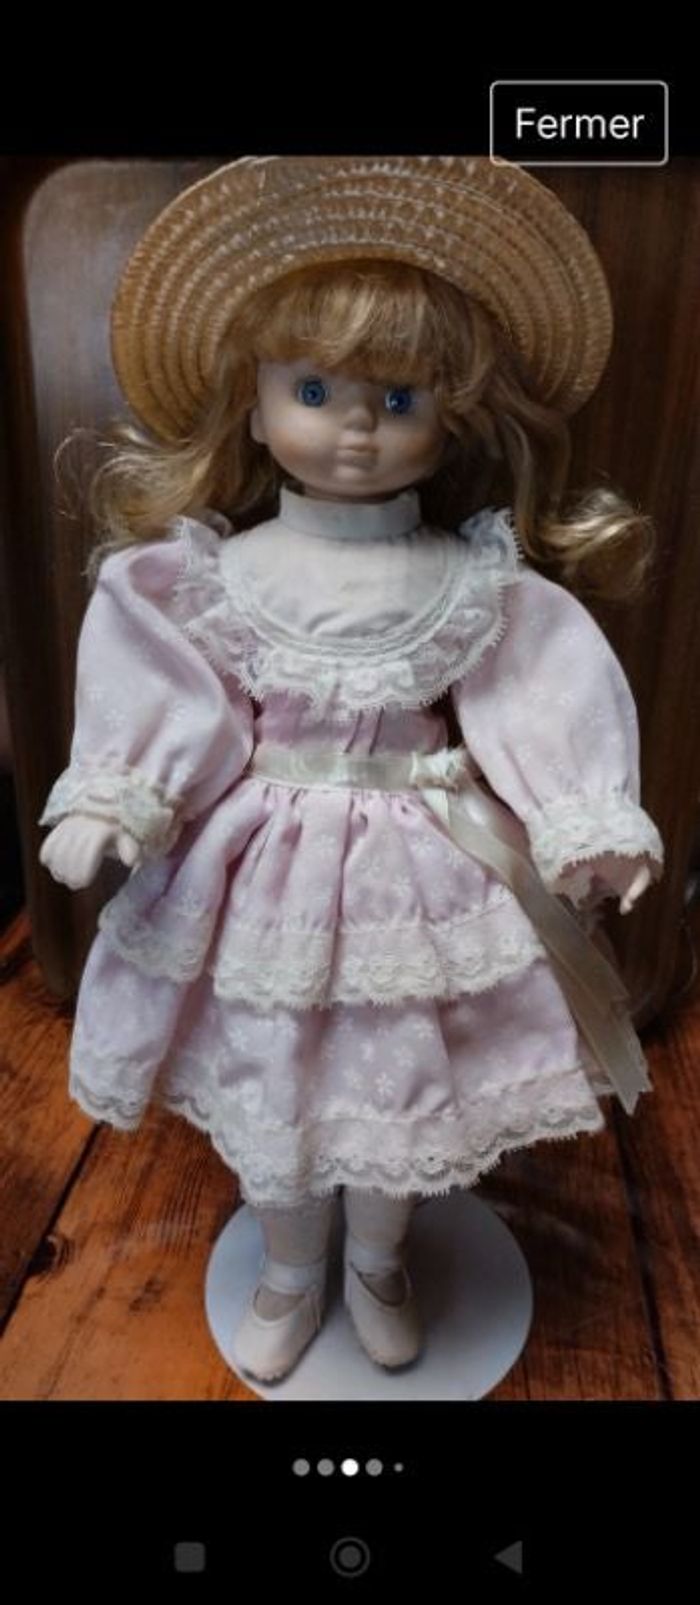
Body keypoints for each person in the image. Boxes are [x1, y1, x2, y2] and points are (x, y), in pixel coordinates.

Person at [38, 156, 665, 1384]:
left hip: (419, 873)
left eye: (399, 396)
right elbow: (178, 698)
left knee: (400, 1081)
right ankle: (288, 1266)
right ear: (255, 404)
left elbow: (538, 692)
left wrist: (582, 818)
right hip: (258, 874)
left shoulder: (474, 582)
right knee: (270, 1073)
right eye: (315, 389)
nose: (356, 425)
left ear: (452, 416)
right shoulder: (213, 578)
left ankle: (378, 1259)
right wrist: (119, 795)